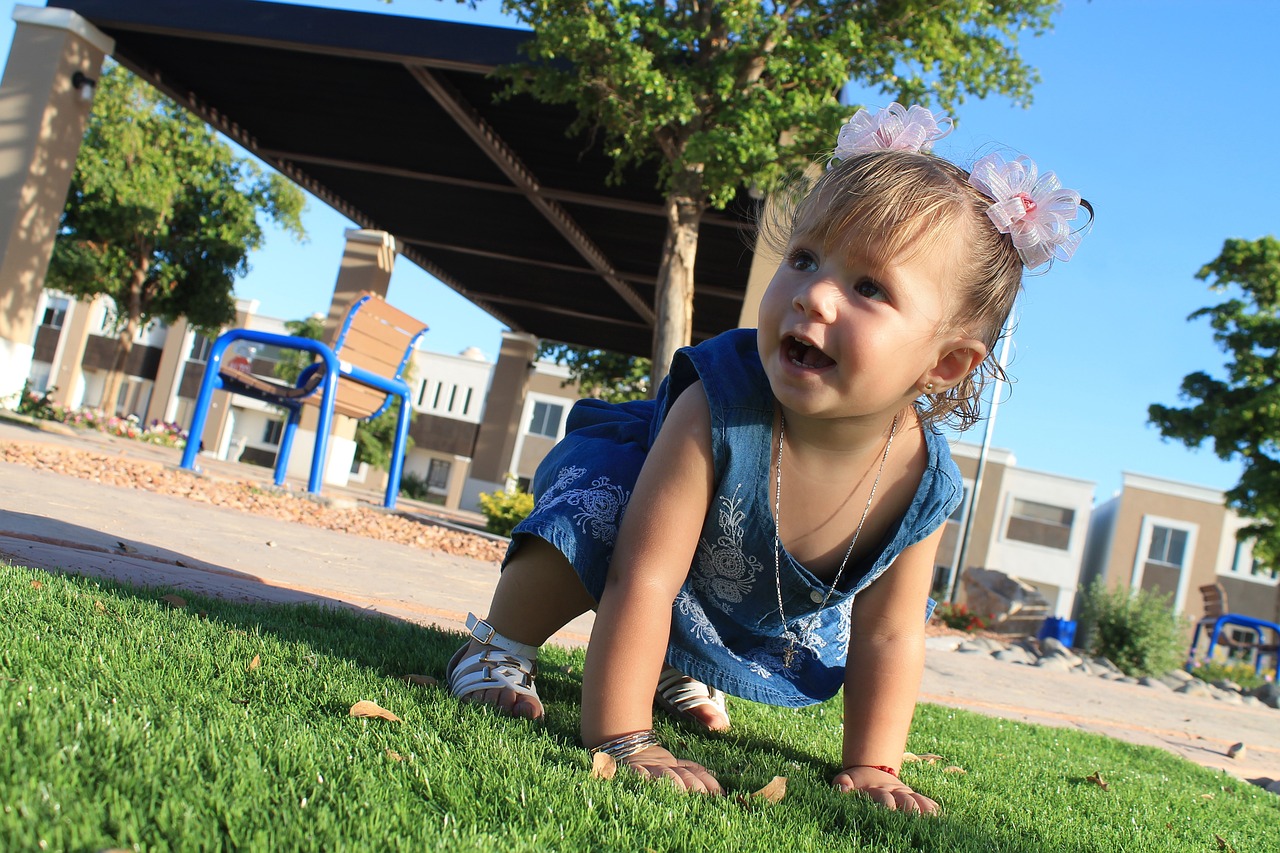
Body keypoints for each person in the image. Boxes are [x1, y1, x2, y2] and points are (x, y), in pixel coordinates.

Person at [446, 103, 1090, 813]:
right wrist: (625, 738)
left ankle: (673, 666)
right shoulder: (723, 395)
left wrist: (875, 765)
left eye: (869, 287)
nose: (813, 293)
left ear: (945, 364)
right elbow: (645, 574)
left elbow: (890, 630)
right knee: (603, 511)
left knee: (810, 616)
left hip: (743, 585)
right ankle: (501, 642)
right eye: (805, 258)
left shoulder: (921, 484)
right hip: (637, 508)